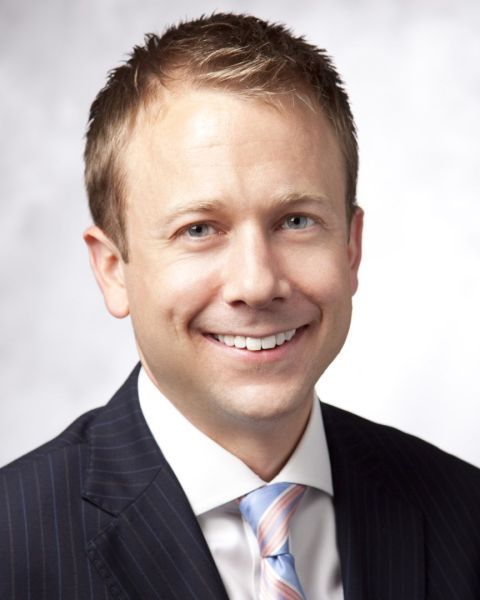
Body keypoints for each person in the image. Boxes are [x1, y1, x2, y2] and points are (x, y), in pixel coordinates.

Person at [1, 12, 479, 600]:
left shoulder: (465, 515)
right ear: (113, 270)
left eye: (296, 221)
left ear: (351, 248)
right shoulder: (12, 546)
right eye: (200, 229)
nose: (257, 283)